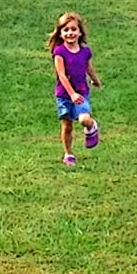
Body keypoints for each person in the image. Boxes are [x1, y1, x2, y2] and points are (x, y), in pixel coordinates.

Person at [48, 12, 102, 167]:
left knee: (84, 119)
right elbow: (62, 75)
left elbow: (88, 67)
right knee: (67, 126)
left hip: (82, 93)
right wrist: (71, 94)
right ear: (60, 33)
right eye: (65, 30)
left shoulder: (85, 51)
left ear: (80, 32)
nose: (70, 33)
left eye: (73, 29)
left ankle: (91, 127)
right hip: (64, 95)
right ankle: (69, 153)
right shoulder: (59, 52)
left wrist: (95, 80)